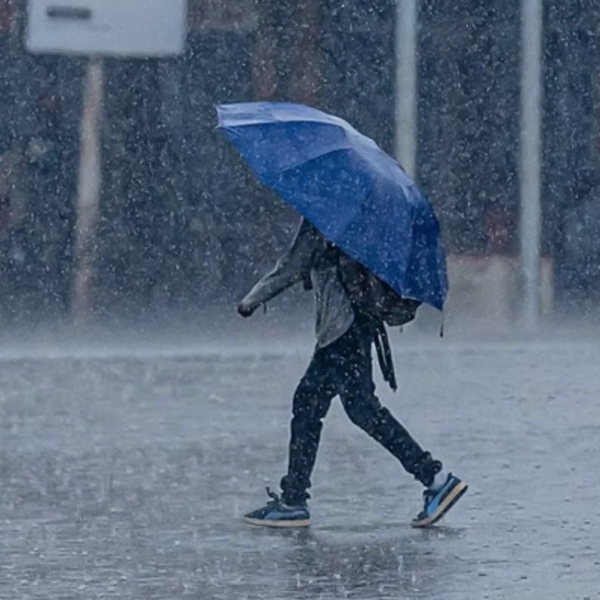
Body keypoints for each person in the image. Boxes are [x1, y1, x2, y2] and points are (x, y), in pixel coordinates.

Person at [237, 217, 467, 528]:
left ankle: (435, 478)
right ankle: (295, 497)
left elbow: (292, 266)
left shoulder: (324, 216)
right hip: (356, 326)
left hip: (340, 330)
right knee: (337, 407)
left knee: (336, 407)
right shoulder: (360, 219)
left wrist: (252, 299)